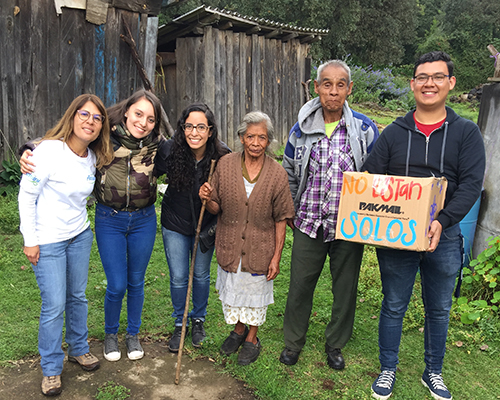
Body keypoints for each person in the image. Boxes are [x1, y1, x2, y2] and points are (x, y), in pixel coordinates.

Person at [363, 51, 485, 400]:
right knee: (394, 304)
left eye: (437, 76)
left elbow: (470, 185)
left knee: (440, 308)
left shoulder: (466, 133)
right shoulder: (394, 133)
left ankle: (433, 372)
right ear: (412, 83)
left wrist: (443, 220)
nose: (429, 83)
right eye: (422, 77)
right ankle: (387, 369)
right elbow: (372, 175)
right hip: (397, 235)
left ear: (451, 83)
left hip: (443, 236)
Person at [20, 90, 164, 363]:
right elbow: (54, 144)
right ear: (126, 112)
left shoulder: (154, 144)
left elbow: (193, 149)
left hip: (138, 221)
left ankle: (131, 334)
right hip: (107, 220)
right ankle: (109, 336)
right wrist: (26, 150)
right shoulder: (105, 139)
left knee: (132, 283)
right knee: (114, 285)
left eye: (150, 118)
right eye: (138, 114)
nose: (143, 122)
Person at [280, 60, 379, 369]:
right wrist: (291, 213)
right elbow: (289, 174)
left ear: (349, 89)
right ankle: (293, 342)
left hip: (349, 227)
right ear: (316, 88)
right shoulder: (301, 129)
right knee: (299, 287)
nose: (333, 91)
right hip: (309, 223)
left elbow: (374, 176)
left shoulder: (364, 129)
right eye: (327, 84)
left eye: (340, 85)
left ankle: (335, 344)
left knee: (345, 290)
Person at [18, 94, 114, 396]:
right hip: (47, 241)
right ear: (72, 117)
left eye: (97, 118)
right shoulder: (47, 152)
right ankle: (50, 367)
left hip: (79, 236)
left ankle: (79, 348)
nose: (90, 122)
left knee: (77, 296)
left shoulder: (93, 157)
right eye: (85, 115)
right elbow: (26, 197)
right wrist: (30, 241)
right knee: (54, 305)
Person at [199, 111, 295, 365]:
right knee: (236, 290)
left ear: (269, 141)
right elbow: (216, 208)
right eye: (250, 136)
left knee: (254, 294)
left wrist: (276, 257)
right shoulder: (226, 164)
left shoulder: (277, 174)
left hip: (260, 247)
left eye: (262, 138)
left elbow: (282, 218)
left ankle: (252, 338)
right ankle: (238, 330)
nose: (255, 143)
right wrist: (207, 199)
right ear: (241, 137)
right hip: (230, 243)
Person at [154, 103, 230, 352]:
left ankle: (198, 320)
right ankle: (180, 322)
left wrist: (213, 197)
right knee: (178, 277)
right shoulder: (169, 151)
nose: (194, 132)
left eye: (200, 127)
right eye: (189, 126)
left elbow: (230, 195)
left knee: (200, 275)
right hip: (175, 222)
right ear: (182, 128)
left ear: (210, 130)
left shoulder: (222, 157)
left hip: (205, 225)